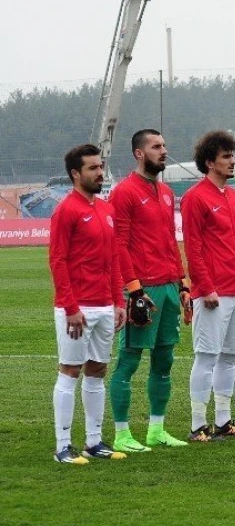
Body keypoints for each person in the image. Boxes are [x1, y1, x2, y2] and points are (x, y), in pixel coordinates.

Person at [107, 129, 189, 452]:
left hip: (169, 286)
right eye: (156, 147)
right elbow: (119, 245)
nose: (164, 151)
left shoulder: (167, 192)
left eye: (165, 145)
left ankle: (157, 429)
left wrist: (182, 283)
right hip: (143, 289)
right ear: (140, 153)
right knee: (128, 362)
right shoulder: (124, 192)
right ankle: (122, 434)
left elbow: (171, 240)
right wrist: (134, 290)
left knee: (164, 360)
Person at [49, 144, 127, 464]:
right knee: (70, 371)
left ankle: (93, 442)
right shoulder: (66, 210)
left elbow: (112, 260)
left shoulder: (106, 210)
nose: (100, 173)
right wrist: (70, 306)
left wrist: (118, 301)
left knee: (97, 370)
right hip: (77, 308)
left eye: (101, 166)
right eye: (93, 168)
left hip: (104, 306)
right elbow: (58, 261)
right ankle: (63, 446)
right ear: (75, 174)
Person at [181, 130, 235, 441]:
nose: (232, 162)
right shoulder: (196, 197)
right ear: (209, 161)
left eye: (232, 156)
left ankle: (224, 421)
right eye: (226, 157)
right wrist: (205, 285)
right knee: (206, 357)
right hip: (212, 293)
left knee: (229, 357)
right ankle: (197, 424)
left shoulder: (234, 197)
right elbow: (194, 246)